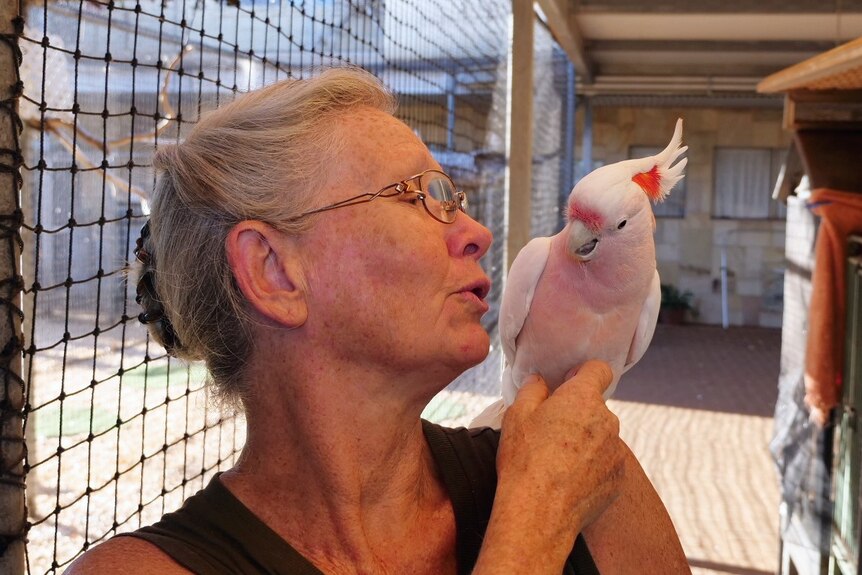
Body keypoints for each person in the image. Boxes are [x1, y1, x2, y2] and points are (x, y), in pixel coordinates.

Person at [68, 66, 689, 574]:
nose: (477, 234)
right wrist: (534, 522)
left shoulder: (595, 474)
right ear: (275, 273)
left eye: (457, 199)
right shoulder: (142, 570)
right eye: (425, 196)